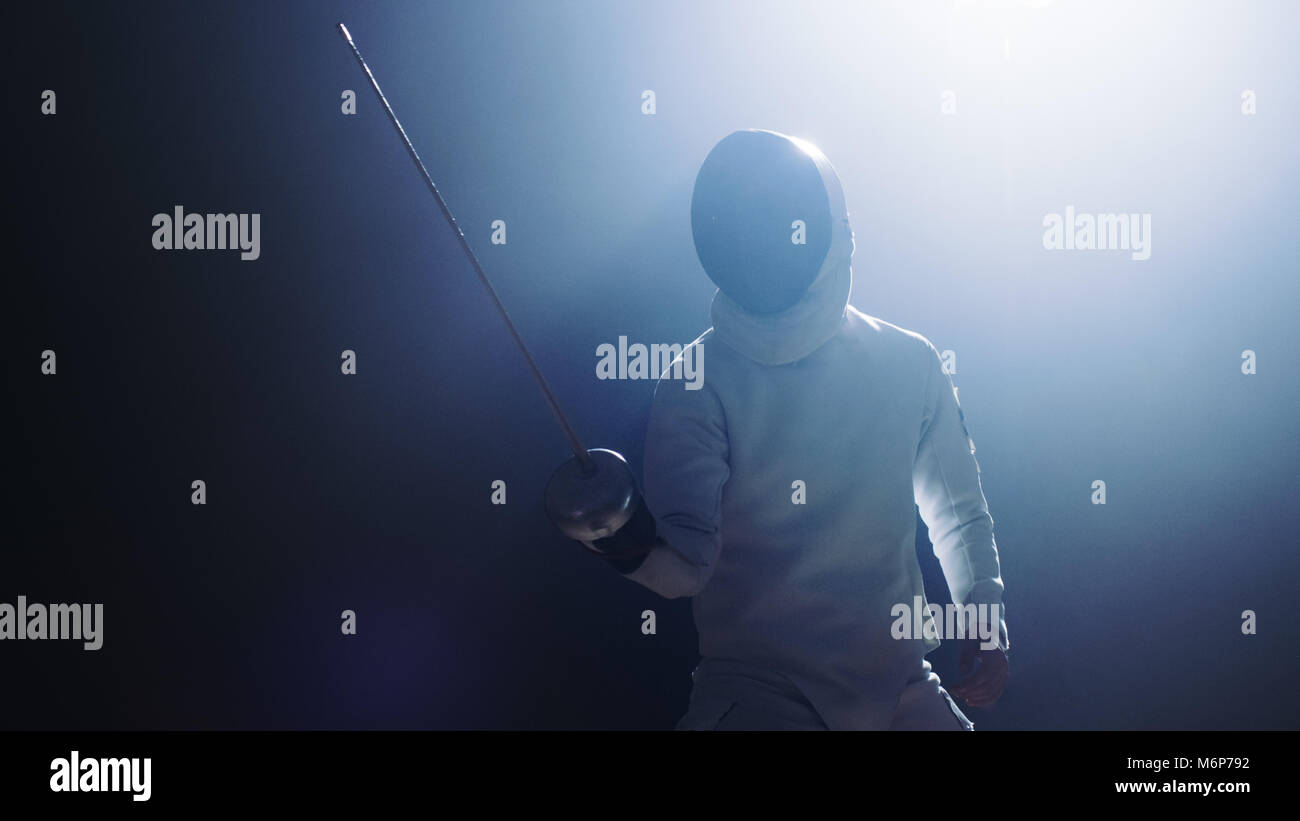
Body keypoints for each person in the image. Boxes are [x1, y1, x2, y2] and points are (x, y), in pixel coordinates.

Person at [575, 129, 1008, 730]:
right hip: (758, 698)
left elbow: (957, 510)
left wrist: (982, 617)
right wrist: (618, 533)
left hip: (898, 691)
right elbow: (685, 565)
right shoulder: (697, 381)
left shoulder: (909, 363)